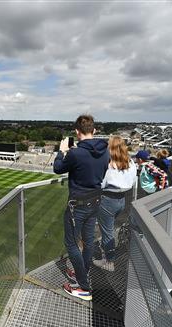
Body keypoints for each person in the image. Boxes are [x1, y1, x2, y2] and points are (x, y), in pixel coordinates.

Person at [53, 114, 109, 301]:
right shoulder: (105, 151)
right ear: (94, 131)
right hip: (96, 201)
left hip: (78, 204)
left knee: (71, 244)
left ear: (77, 132)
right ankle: (81, 274)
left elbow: (58, 168)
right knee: (88, 241)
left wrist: (61, 152)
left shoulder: (76, 153)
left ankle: (84, 287)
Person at [93, 136, 136, 272]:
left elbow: (100, 184)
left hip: (108, 200)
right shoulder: (130, 162)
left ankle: (109, 262)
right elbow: (133, 181)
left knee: (108, 233)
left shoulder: (109, 164)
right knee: (109, 230)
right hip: (122, 200)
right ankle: (108, 255)